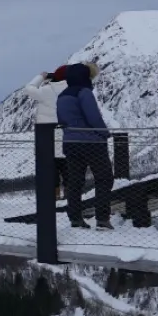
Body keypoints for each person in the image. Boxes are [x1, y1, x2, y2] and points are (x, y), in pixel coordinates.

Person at [57, 63, 113, 229]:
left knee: (75, 181)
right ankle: (102, 218)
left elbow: (61, 119)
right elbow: (93, 118)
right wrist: (105, 133)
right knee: (104, 179)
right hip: (92, 143)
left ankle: (75, 218)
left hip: (70, 143)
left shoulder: (62, 95)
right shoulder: (84, 93)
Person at [24, 66, 69, 201]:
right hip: (66, 134)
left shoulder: (46, 91)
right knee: (68, 168)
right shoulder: (72, 90)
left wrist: (41, 77)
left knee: (51, 169)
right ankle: (70, 195)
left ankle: (54, 196)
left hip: (47, 136)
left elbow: (29, 89)